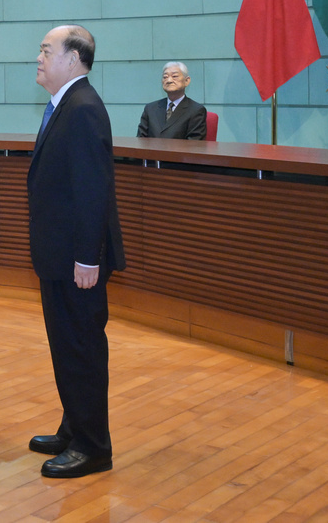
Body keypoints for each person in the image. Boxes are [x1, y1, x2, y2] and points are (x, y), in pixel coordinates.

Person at [26, 25, 126, 479]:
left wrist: (88, 257)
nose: (39, 57)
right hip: (60, 255)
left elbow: (92, 189)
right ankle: (74, 427)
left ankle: (93, 446)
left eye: (47, 50)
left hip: (76, 259)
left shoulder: (83, 108)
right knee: (66, 346)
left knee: (81, 348)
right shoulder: (65, 104)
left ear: (73, 59)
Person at [136, 61, 207, 140]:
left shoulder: (196, 110)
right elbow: (141, 140)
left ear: (187, 81)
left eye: (174, 76)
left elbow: (194, 143)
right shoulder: (150, 108)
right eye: (165, 77)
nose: (169, 80)